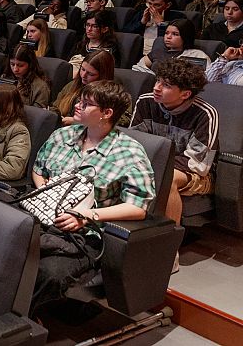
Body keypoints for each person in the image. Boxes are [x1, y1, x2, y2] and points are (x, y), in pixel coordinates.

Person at [31, 80, 155, 313]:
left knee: (47, 272)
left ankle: (26, 320)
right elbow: (39, 170)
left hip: (86, 234)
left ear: (106, 113)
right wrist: (48, 194)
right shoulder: (63, 135)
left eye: (86, 104)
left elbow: (138, 207)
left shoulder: (129, 153)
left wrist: (88, 215)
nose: (77, 106)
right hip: (43, 216)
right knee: (6, 246)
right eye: (80, 100)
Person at [130, 59, 218, 227]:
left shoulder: (205, 114)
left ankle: (170, 239)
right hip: (152, 163)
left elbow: (197, 163)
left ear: (185, 94)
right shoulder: (145, 102)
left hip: (197, 175)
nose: (156, 88)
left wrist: (156, 164)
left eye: (166, 85)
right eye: (158, 81)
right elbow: (134, 143)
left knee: (167, 179)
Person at [52, 50, 116, 126]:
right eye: (82, 69)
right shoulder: (73, 85)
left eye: (91, 74)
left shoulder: (111, 95)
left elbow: (117, 122)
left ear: (103, 76)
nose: (83, 75)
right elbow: (55, 107)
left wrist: (78, 122)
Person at [133, 18, 211, 73]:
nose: (168, 37)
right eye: (166, 33)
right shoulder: (158, 51)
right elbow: (138, 67)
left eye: (175, 34)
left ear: (186, 37)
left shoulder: (197, 55)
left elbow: (206, 77)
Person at [69, 11, 120, 76]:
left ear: (105, 29)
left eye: (95, 26)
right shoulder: (80, 44)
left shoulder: (109, 49)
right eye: (87, 25)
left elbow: (108, 71)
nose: (89, 29)